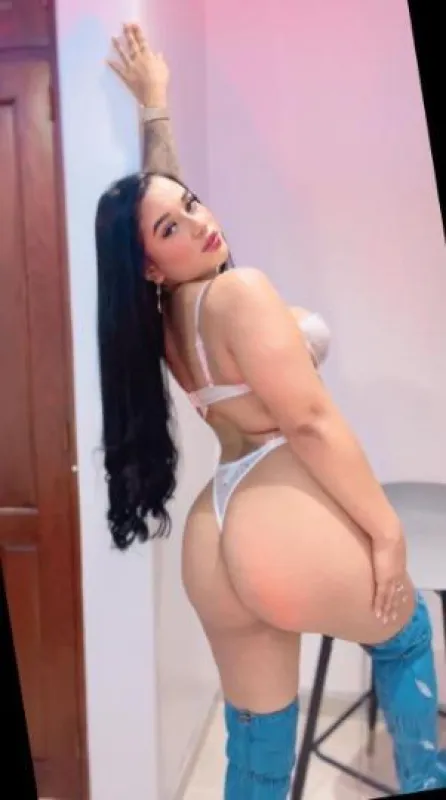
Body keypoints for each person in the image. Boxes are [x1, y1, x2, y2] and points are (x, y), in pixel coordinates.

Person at [97, 23, 445, 797]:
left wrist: (155, 105)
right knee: (407, 632)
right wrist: (386, 534)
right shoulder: (238, 291)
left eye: (194, 205)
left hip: (213, 535)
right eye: (174, 227)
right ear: (151, 264)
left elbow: (160, 209)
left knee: (257, 757)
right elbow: (311, 423)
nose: (200, 222)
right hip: (275, 511)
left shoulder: (163, 315)